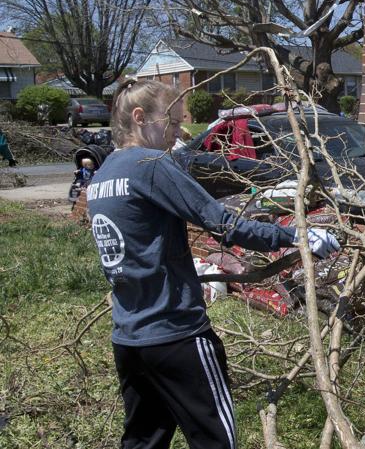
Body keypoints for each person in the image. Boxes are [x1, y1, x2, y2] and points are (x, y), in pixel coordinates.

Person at [86, 79, 340, 449]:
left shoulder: (103, 176)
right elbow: (224, 223)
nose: (178, 134)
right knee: (217, 441)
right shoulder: (150, 164)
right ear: (140, 118)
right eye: (172, 123)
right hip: (177, 334)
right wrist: (297, 236)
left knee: (143, 440)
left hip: (129, 339)